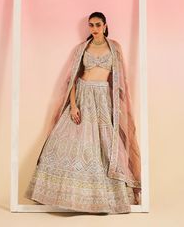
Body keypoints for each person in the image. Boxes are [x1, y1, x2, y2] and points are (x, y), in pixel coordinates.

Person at [24, 12, 141, 214]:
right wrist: (73, 105)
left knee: (104, 146)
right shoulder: (82, 49)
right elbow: (73, 79)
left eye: (97, 25)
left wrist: (118, 107)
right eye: (91, 25)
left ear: (105, 26)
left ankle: (102, 198)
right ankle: (63, 195)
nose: (94, 29)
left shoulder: (115, 48)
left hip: (103, 99)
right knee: (62, 142)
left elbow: (120, 80)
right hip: (82, 97)